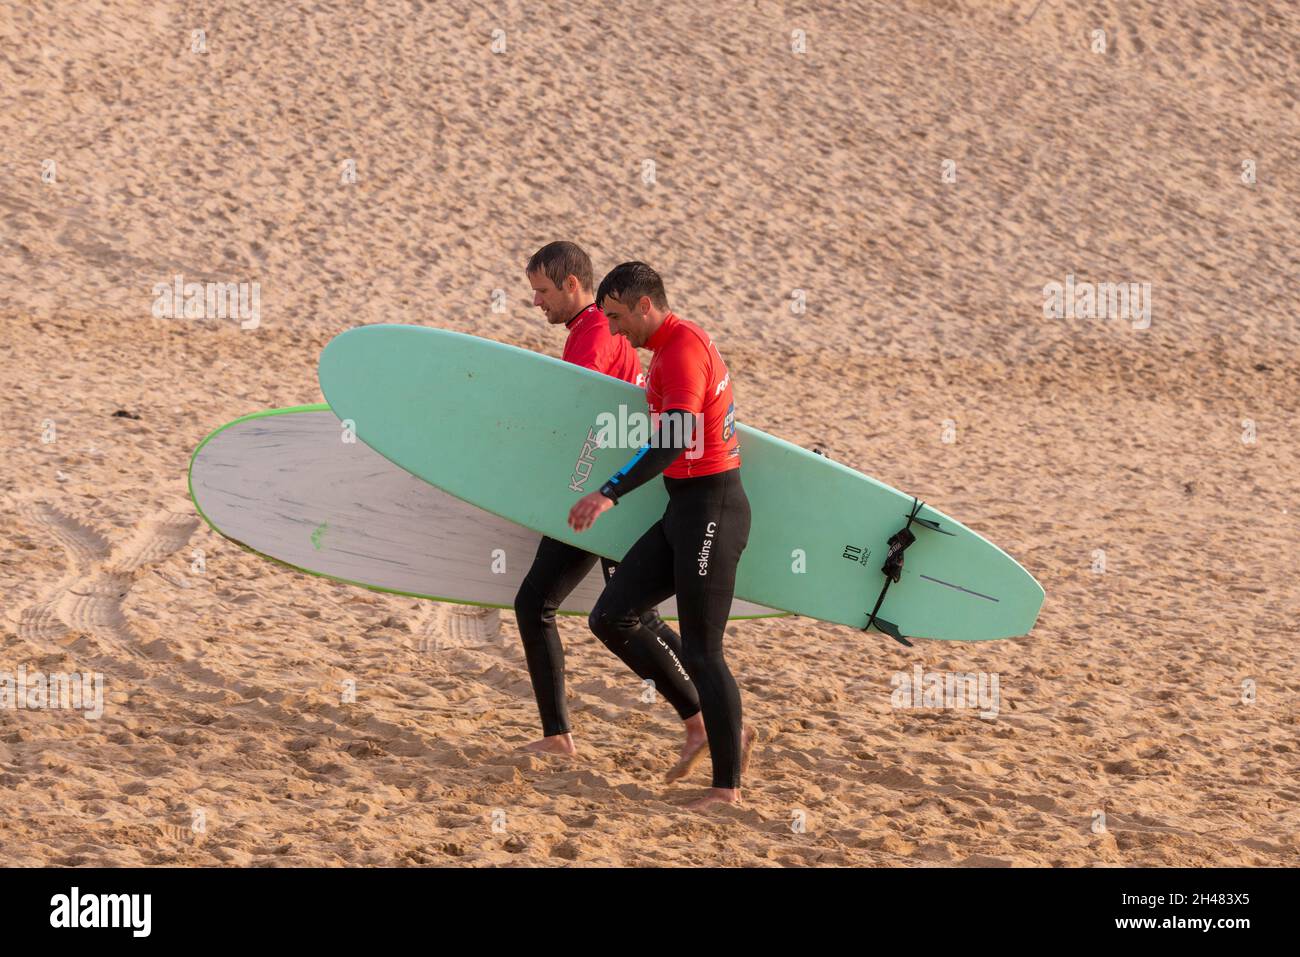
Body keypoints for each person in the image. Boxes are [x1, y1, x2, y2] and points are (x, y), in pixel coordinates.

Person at [515, 242, 707, 781]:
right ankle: (703, 719)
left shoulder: (594, 331)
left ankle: (704, 719)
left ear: (573, 285)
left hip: (607, 494)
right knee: (601, 612)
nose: (535, 301)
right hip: (609, 489)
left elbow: (573, 407)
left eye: (543, 290)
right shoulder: (591, 330)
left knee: (571, 608)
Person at [569, 262, 754, 809]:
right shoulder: (669, 348)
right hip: (684, 509)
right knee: (611, 615)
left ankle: (727, 789)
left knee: (704, 651)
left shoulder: (681, 352)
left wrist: (609, 491)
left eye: (620, 318)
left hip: (713, 510)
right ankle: (708, 727)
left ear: (645, 305)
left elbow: (674, 439)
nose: (616, 330)